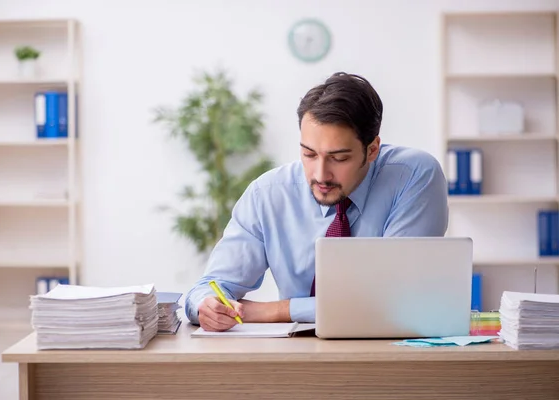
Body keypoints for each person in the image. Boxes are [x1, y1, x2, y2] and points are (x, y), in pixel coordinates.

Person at [184, 72, 448, 332]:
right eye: (309, 154)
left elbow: (395, 299)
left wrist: (275, 310)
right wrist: (207, 306)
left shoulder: (413, 176)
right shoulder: (267, 194)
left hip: (391, 352)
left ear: (372, 150)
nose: (320, 175)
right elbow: (212, 285)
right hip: (298, 358)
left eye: (339, 158)